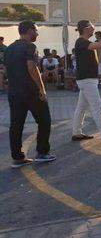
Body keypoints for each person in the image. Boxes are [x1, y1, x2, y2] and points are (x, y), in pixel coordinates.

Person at [5, 21, 56, 168]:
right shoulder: (30, 47)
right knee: (44, 120)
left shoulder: (9, 49)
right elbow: (31, 66)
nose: (38, 33)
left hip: (14, 92)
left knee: (16, 124)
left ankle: (17, 157)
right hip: (31, 91)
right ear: (29, 30)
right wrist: (41, 88)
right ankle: (42, 153)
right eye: (36, 30)